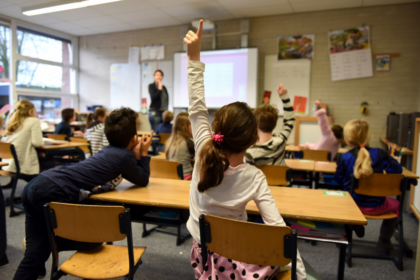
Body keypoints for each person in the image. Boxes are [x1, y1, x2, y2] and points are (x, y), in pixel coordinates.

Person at [183, 20, 306, 280]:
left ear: (216, 129)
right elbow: (277, 227)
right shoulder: (254, 176)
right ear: (252, 141)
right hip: (237, 255)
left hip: (203, 255)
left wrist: (194, 58)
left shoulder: (204, 151)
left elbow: (196, 105)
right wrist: (300, 275)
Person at [13, 108, 154, 280]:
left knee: (33, 252)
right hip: (54, 190)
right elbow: (143, 179)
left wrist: (135, 153)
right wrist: (144, 152)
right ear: (134, 138)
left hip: (38, 183)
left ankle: (41, 245)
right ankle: (48, 242)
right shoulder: (124, 156)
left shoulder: (107, 150)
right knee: (93, 240)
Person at [335, 119, 402, 251]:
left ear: (348, 138)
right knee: (397, 205)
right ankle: (384, 240)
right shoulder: (380, 154)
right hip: (378, 206)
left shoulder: (343, 157)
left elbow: (338, 180)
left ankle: (347, 231)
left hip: (352, 207)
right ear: (368, 136)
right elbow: (397, 170)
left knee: (341, 200)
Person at [245, 87, 295, 166]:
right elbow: (290, 120)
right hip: (278, 178)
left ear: (256, 124)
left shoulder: (248, 150)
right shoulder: (280, 141)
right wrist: (284, 96)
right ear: (274, 125)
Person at [2, 99, 44, 180]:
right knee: (50, 162)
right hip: (23, 164)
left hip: (10, 162)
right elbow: (37, 143)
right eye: (35, 111)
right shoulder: (33, 121)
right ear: (30, 111)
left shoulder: (13, 119)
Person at [165, 112, 194, 180]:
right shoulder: (189, 142)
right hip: (186, 178)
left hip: (172, 177)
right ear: (185, 128)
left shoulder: (170, 141)